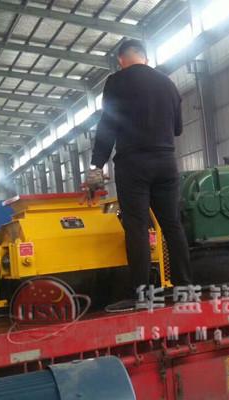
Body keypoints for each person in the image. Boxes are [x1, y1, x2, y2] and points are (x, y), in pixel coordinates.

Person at [87, 39, 192, 310]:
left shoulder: (116, 82)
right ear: (145, 57)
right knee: (173, 225)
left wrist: (96, 165)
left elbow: (108, 125)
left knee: (137, 227)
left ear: (121, 59)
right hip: (166, 161)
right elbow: (178, 128)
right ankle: (185, 288)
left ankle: (143, 296)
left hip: (133, 164)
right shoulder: (167, 83)